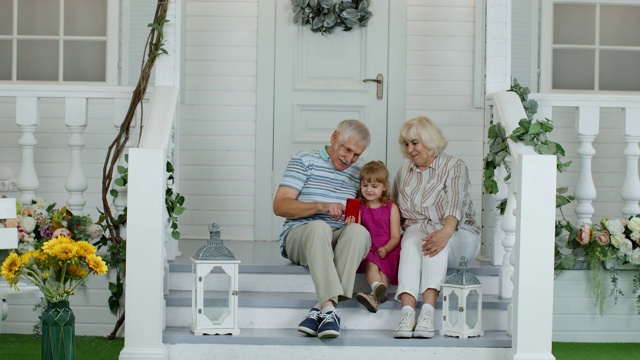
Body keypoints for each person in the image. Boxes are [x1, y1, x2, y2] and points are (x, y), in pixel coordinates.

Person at [273, 119, 372, 339]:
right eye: (347, 149)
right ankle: (329, 307)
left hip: (336, 236)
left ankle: (321, 310)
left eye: (356, 154)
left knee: (359, 232)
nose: (349, 159)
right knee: (319, 227)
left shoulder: (358, 172)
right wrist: (321, 206)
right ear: (334, 137)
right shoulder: (304, 160)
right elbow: (280, 205)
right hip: (301, 235)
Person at [390, 115, 481, 339]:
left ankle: (428, 312)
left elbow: (454, 203)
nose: (410, 149)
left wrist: (445, 232)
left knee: (434, 241)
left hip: (459, 234)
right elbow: (393, 207)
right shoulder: (404, 172)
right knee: (411, 242)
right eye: (406, 144)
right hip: (418, 230)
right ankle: (408, 312)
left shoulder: (454, 166)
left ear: (429, 140)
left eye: (415, 143)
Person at [344, 160, 401, 313]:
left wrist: (387, 248)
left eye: (374, 186)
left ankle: (374, 295)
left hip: (390, 247)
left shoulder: (391, 207)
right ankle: (377, 289)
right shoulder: (360, 207)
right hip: (369, 248)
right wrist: (351, 226)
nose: (369, 190)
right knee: (371, 263)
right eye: (365, 185)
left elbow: (396, 236)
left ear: (384, 187)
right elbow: (358, 231)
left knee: (384, 268)